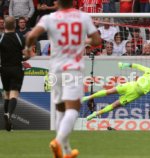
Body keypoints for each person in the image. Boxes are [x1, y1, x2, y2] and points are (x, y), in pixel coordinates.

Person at [24, 0, 101, 157]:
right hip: (73, 69)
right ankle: (58, 141)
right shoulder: (83, 16)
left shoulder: (49, 18)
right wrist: (84, 41)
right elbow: (97, 41)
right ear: (73, 2)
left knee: (60, 109)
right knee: (72, 109)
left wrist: (27, 49)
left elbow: (31, 35)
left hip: (56, 69)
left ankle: (64, 151)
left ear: (56, 2)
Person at [82, 61, 150, 120]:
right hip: (131, 85)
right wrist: (125, 65)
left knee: (115, 105)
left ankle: (96, 114)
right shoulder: (148, 70)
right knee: (109, 91)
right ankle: (88, 97)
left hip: (135, 94)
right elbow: (137, 66)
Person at [0, 16, 27, 131]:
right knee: (14, 95)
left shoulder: (1, 39)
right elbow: (27, 54)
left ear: (4, 25)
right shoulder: (20, 38)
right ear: (15, 25)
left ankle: (7, 117)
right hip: (16, 69)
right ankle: (9, 115)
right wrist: (24, 59)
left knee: (6, 94)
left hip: (4, 69)